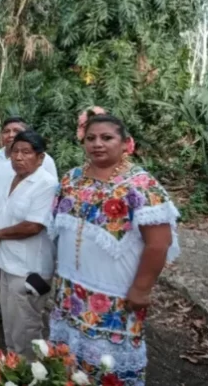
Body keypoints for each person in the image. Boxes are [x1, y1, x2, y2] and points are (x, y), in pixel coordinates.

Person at [49, 115, 180, 385]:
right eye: (91, 138)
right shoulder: (71, 179)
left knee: (108, 368)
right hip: (71, 290)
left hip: (115, 294)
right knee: (69, 363)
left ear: (125, 144)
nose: (98, 144)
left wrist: (141, 289)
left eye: (107, 138)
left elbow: (159, 242)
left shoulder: (141, 185)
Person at [0, 130, 58, 358]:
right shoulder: (8, 178)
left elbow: (33, 226)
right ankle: (12, 368)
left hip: (28, 268)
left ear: (41, 157)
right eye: (15, 151)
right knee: (9, 319)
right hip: (5, 261)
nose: (18, 157)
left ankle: (30, 371)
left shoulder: (46, 184)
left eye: (26, 152)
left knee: (26, 324)